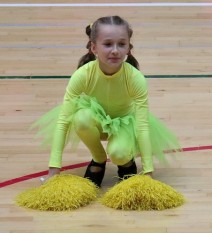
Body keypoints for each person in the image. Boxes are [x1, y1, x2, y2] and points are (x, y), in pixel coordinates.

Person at [34, 16, 180, 186]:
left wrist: (148, 172)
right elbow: (63, 121)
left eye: (122, 44)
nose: (115, 50)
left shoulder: (135, 78)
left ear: (128, 48)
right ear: (94, 47)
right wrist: (54, 169)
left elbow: (142, 125)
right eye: (108, 44)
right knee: (80, 119)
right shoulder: (82, 75)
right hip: (95, 123)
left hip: (125, 124)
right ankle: (98, 158)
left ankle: (126, 161)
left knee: (119, 152)